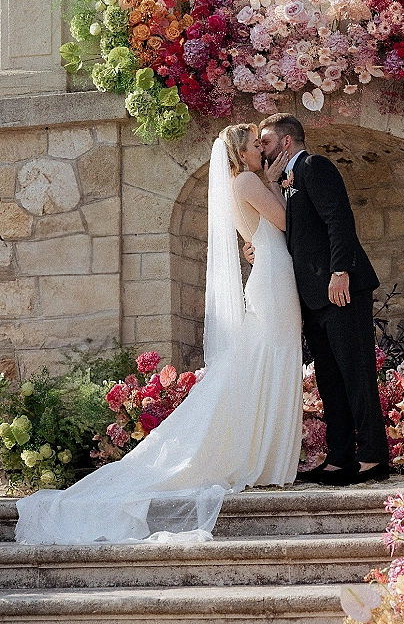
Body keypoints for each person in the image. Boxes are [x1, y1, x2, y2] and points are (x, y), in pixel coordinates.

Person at [16, 124, 303, 544]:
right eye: (255, 146)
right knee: (267, 358)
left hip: (272, 273)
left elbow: (262, 231)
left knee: (266, 359)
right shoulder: (246, 180)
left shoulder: (244, 182)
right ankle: (265, 461)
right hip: (273, 278)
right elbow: (285, 220)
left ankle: (268, 458)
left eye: (263, 145)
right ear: (241, 154)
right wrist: (277, 181)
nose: (263, 151)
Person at [245, 114, 389, 486]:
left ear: (287, 142)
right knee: (329, 377)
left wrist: (340, 271)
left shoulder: (313, 165)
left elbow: (338, 219)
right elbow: (294, 230)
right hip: (312, 295)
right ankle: (340, 458)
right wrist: (258, 248)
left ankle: (373, 456)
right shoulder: (286, 181)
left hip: (340, 288)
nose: (262, 149)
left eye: (266, 142)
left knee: (356, 372)